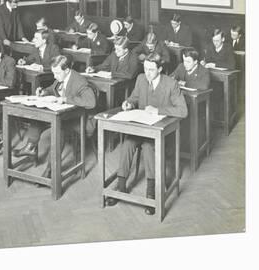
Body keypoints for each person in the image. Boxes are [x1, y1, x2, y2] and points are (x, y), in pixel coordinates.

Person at [105, 52, 187, 215]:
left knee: (150, 148)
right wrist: (128, 103)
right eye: (145, 68)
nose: (147, 73)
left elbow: (183, 111)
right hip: (140, 126)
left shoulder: (170, 84)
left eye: (151, 69)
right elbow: (135, 97)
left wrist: (158, 111)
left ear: (160, 69)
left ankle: (151, 193)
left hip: (160, 130)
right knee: (127, 144)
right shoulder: (141, 79)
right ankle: (121, 187)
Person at [12, 55, 96, 178]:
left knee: (58, 128)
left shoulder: (79, 81)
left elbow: (90, 102)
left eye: (57, 73)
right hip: (62, 115)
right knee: (38, 116)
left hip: (78, 119)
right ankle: (30, 147)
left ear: (67, 70)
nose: (55, 76)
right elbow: (52, 89)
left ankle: (51, 169)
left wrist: (66, 99)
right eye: (53, 73)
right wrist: (44, 92)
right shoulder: (60, 77)